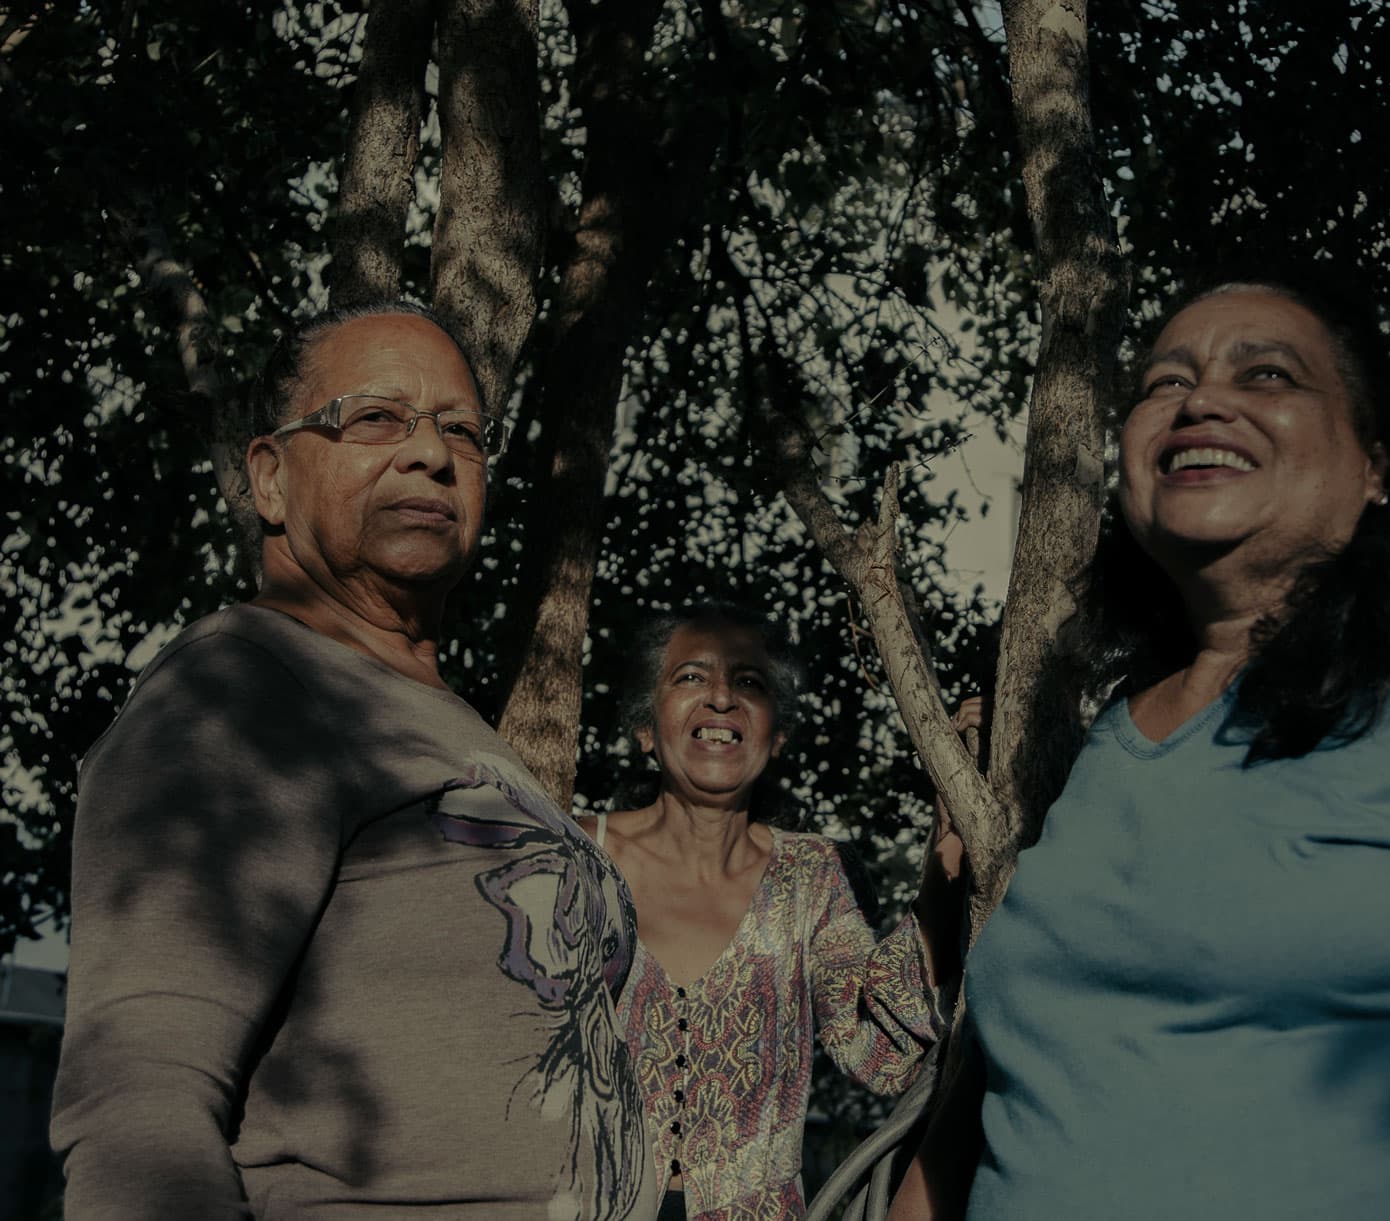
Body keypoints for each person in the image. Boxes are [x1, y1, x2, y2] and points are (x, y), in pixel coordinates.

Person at [893, 273, 1390, 1219]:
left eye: (1268, 373)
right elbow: (978, 1128)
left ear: (1376, 467)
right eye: (1163, 383)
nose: (1200, 400)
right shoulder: (1108, 744)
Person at [50, 302, 656, 1220]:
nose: (431, 453)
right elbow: (141, 1103)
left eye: (462, 429)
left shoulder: (450, 726)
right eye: (375, 418)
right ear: (269, 478)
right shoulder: (246, 689)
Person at [582, 603, 966, 1219]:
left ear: (776, 734)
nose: (721, 700)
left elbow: (879, 1052)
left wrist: (949, 840)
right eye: (689, 678)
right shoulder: (577, 853)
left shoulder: (816, 876)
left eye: (749, 684)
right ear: (645, 727)